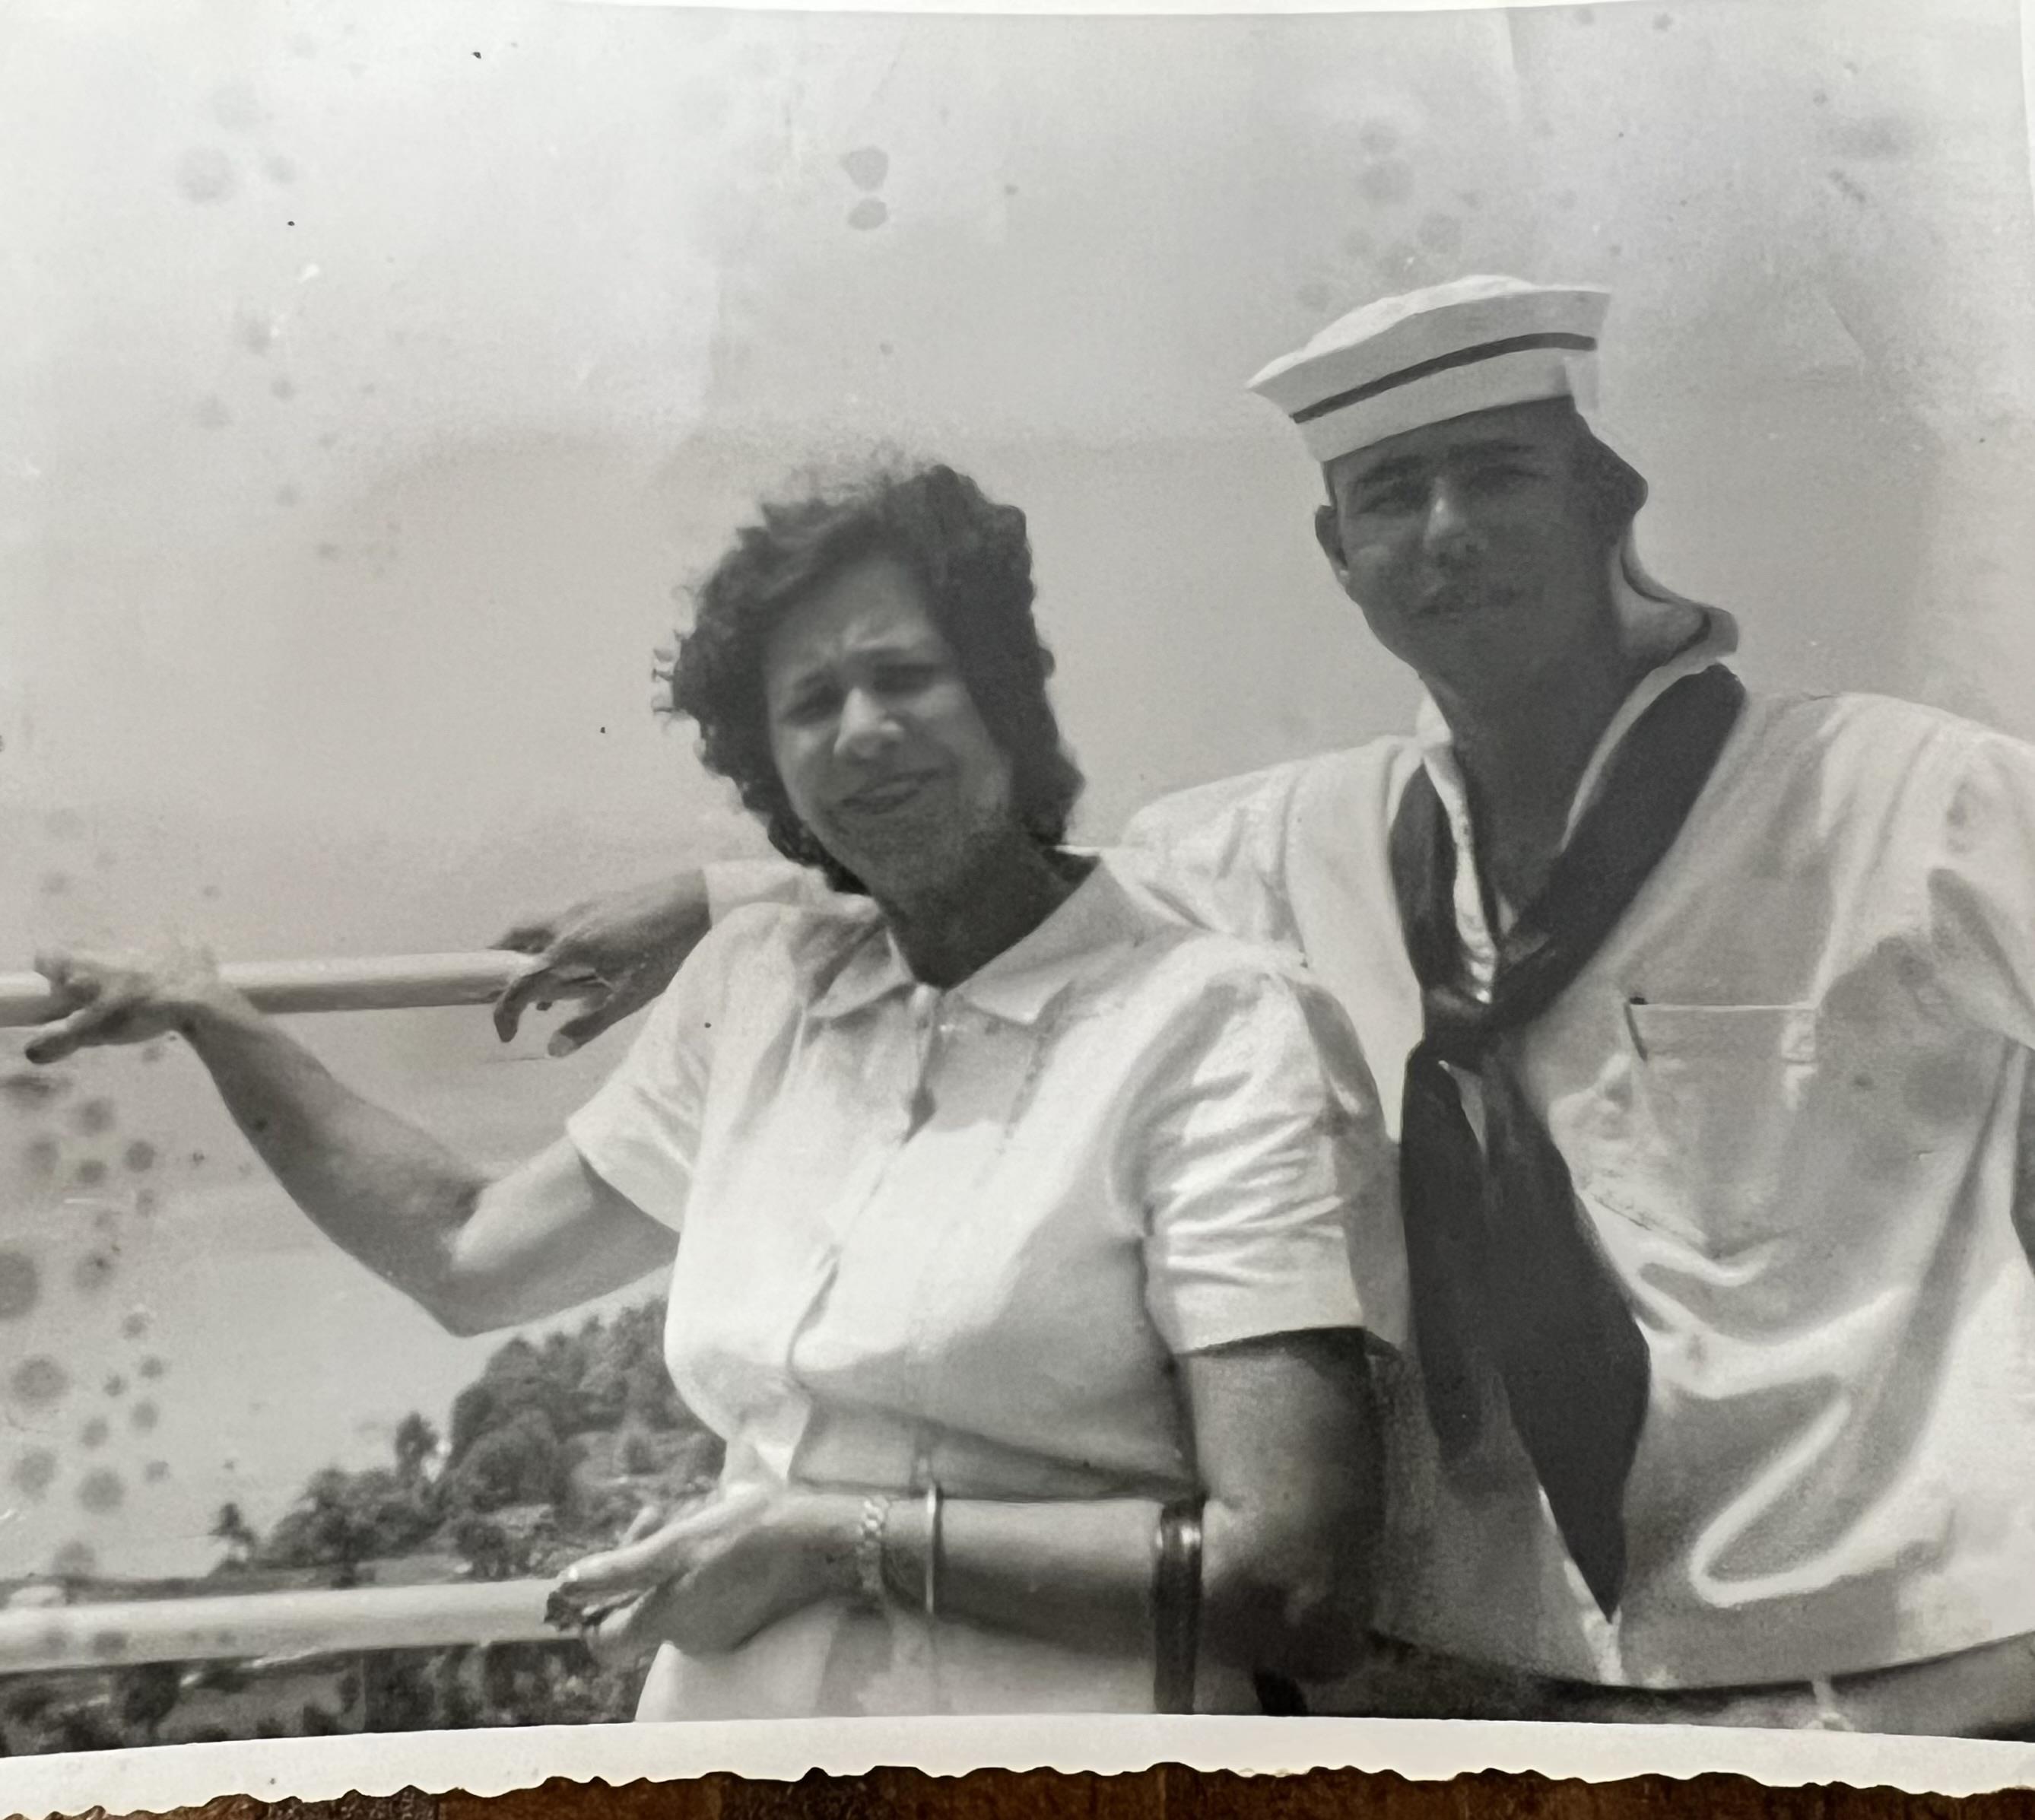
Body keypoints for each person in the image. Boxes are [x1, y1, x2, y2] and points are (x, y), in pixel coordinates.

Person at [494, 277, 2035, 1736]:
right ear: (1336, 553)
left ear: (1605, 499)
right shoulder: (1266, 854)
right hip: (1472, 1676)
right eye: (1389, 497)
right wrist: (722, 896)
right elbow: (1006, 875)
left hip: (1892, 1670)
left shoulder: (1922, 804)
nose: (1442, 535)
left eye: (1495, 475)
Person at [24, 460, 1393, 1720]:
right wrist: (218, 1018)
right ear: (772, 770)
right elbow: (467, 1255)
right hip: (728, 1747)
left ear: (1006, 696)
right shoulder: (762, 987)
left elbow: (1296, 1578)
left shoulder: (1215, 1022)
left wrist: (829, 1542)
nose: (864, 732)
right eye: (809, 704)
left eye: (908, 674)